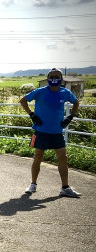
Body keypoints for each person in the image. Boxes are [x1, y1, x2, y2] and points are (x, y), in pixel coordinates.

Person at [19, 68, 81, 197]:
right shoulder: (40, 91)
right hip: (41, 131)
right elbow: (23, 100)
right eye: (51, 76)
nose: (54, 78)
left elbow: (76, 102)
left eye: (57, 76)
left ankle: (65, 188)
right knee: (38, 157)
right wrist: (32, 114)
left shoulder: (65, 92)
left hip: (57, 132)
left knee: (63, 158)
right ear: (47, 79)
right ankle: (33, 184)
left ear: (61, 79)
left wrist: (70, 117)